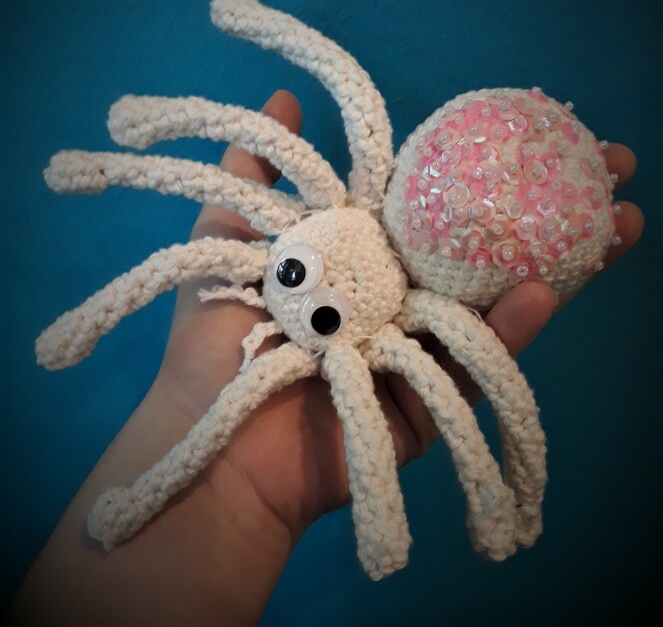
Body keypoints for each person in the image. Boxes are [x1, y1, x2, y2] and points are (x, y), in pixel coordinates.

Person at [11, 90, 644, 626]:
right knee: (195, 307)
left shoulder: (408, 323)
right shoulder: (330, 225)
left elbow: (499, 391)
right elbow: (342, 85)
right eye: (291, 273)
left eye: (313, 310)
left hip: (476, 255)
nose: (289, 297)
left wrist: (500, 500)